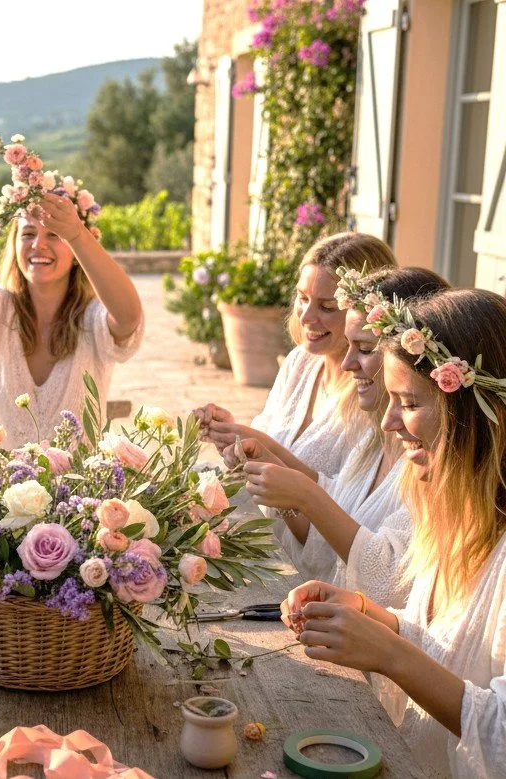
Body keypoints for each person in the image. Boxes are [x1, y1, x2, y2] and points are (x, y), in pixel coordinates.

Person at [281, 289, 506, 777]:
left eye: (407, 402)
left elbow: (501, 731)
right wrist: (374, 616)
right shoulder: (457, 514)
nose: (388, 420)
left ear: (475, 414)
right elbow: (453, 648)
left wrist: (389, 654)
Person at [230, 268, 449, 605]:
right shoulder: (374, 440)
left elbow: (391, 582)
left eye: (362, 348)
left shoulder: (438, 466)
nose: (346, 363)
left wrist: (305, 496)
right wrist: (275, 471)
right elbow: (329, 548)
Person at [0, 168, 144, 449]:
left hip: (81, 491)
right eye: (28, 234)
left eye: (54, 235)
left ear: (77, 251)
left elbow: (129, 317)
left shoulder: (94, 317)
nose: (39, 245)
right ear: (14, 246)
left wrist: (76, 234)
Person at [196, 233, 398, 479]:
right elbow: (265, 439)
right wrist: (234, 433)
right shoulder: (300, 362)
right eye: (303, 298)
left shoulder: (376, 394)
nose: (305, 317)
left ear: (366, 313)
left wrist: (259, 444)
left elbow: (346, 505)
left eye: (327, 307)